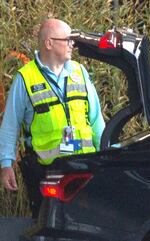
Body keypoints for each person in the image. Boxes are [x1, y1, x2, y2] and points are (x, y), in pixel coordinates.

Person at [0, 19, 105, 217]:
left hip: (84, 167)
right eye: (67, 40)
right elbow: (10, 125)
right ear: (49, 43)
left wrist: (106, 156)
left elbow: (96, 119)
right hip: (48, 172)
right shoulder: (25, 78)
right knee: (49, 227)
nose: (72, 45)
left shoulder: (79, 72)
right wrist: (6, 164)